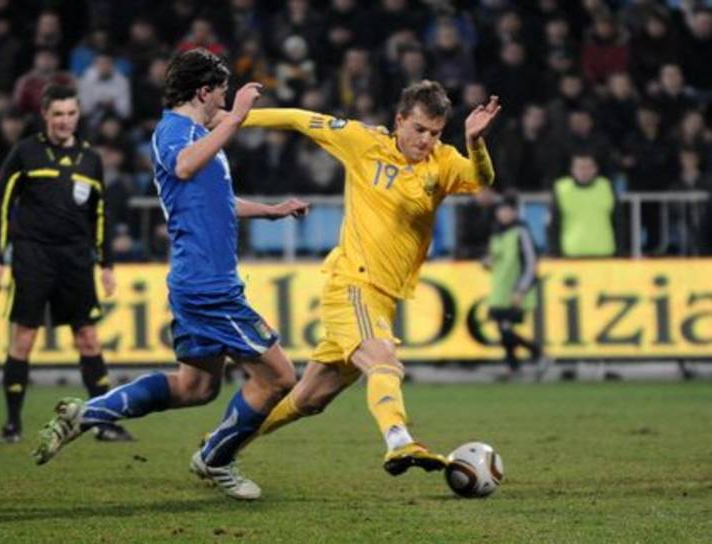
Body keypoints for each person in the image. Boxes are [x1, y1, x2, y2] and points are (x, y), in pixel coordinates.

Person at [31, 49, 308, 501]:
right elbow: (183, 165)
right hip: (207, 285)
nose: (225, 101)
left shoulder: (198, 137)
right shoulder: (173, 131)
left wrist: (270, 211)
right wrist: (237, 119)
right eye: (222, 92)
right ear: (204, 91)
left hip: (201, 281)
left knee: (195, 387)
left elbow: (217, 202)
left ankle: (87, 414)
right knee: (280, 378)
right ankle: (215, 458)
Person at [235, 80, 500, 475]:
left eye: (435, 133)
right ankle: (399, 440)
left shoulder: (442, 162)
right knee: (384, 361)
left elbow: (481, 179)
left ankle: (221, 445)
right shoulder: (364, 142)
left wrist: (475, 142)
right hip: (353, 284)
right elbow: (297, 119)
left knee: (309, 399)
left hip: (383, 298)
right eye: (419, 129)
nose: (426, 140)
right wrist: (232, 120)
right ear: (400, 120)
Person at [0, 84, 132, 444]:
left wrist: (106, 264)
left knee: (88, 338)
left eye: (71, 114)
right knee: (24, 338)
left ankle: (103, 423)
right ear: (45, 116)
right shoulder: (26, 152)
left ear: (78, 115)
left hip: (75, 259)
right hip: (33, 256)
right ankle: (12, 425)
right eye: (58, 114)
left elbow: (100, 214)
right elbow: (2, 205)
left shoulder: (90, 158)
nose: (65, 121)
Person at [485, 195, 547, 380]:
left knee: (505, 328)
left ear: (514, 212)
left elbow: (531, 262)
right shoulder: (496, 233)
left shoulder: (521, 232)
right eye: (501, 210)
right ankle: (514, 365)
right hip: (499, 290)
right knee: (503, 330)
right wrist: (487, 262)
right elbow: (495, 257)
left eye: (507, 210)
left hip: (515, 289)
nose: (503, 214)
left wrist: (522, 288)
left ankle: (536, 354)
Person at [549, 152, 619, 258]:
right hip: (571, 254)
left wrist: (620, 251)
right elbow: (554, 225)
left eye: (588, 167)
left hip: (604, 253)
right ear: (572, 170)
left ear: (595, 169)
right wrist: (555, 253)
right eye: (580, 167)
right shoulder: (561, 189)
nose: (584, 171)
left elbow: (618, 222)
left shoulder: (606, 187)